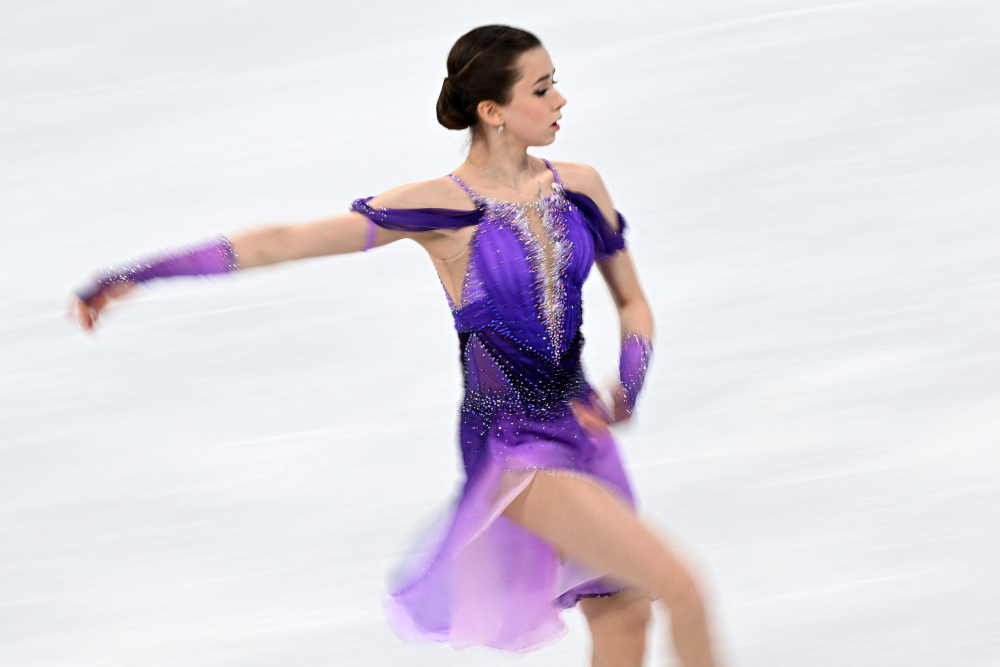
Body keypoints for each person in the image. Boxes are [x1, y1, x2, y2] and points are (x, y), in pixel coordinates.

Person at [72, 25, 721, 667]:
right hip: (514, 444)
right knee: (683, 588)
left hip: (584, 429)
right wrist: (142, 272)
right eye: (543, 88)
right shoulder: (443, 209)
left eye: (557, 85)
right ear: (492, 112)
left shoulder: (580, 186)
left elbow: (632, 300)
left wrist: (629, 383)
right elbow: (285, 239)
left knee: (624, 616)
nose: (561, 101)